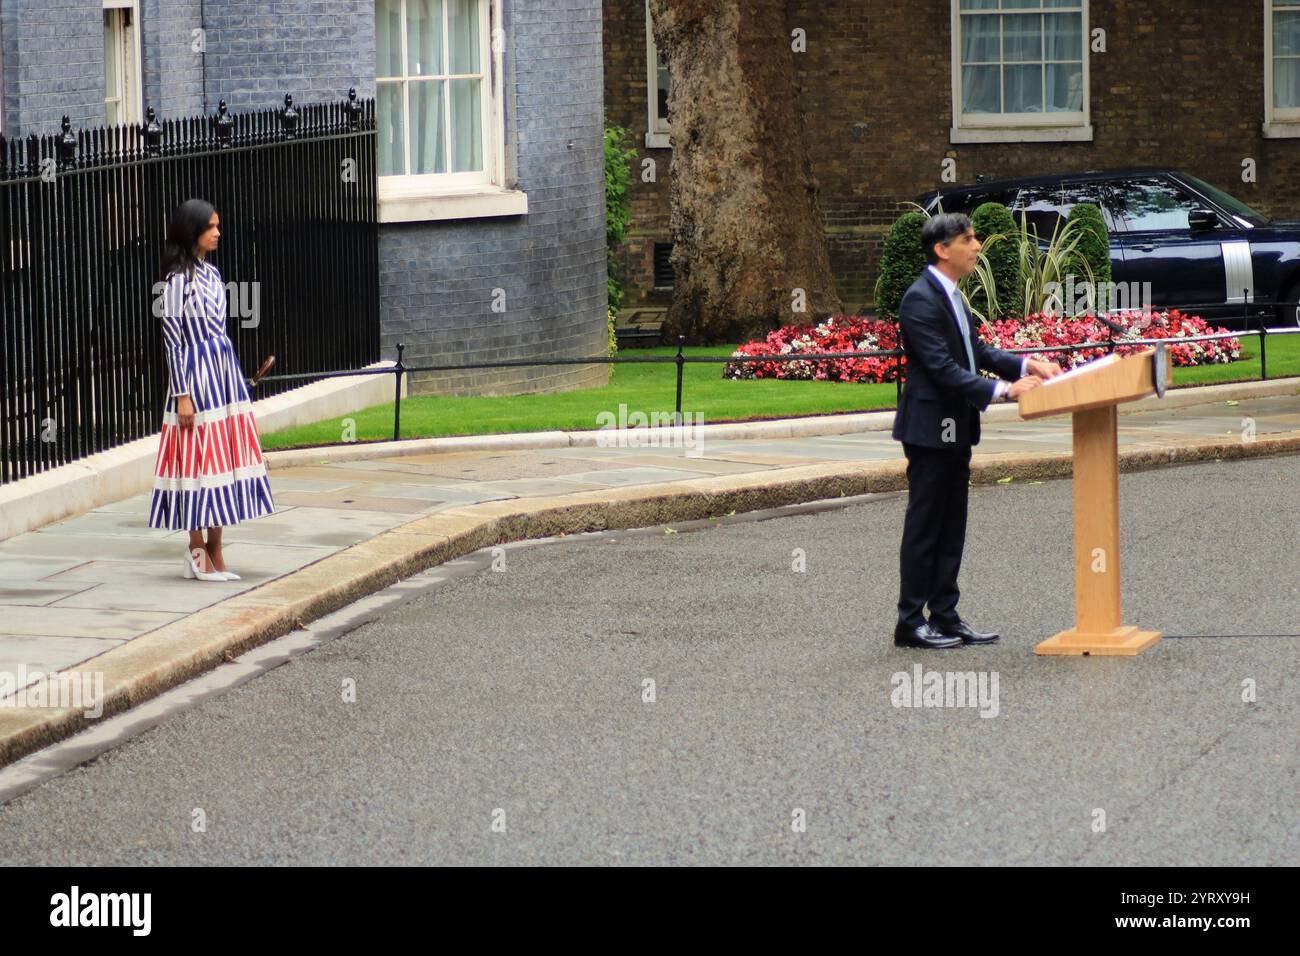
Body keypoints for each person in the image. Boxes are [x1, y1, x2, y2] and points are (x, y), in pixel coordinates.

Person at [891, 213, 1062, 649]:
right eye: (968, 239)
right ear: (942, 249)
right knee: (926, 525)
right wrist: (1006, 390)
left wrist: (1028, 364)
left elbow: (976, 350)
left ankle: (945, 616)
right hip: (930, 429)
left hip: (956, 428)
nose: (978, 245)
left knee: (952, 525)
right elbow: (942, 369)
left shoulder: (951, 296)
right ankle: (910, 622)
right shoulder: (920, 299)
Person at [148, 198, 275, 581]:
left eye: (219, 225)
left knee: (224, 458)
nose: (218, 233)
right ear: (193, 232)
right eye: (211, 227)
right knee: (195, 460)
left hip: (222, 375)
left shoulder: (212, 275)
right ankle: (196, 548)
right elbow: (172, 341)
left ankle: (217, 547)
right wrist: (181, 394)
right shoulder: (176, 282)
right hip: (194, 378)